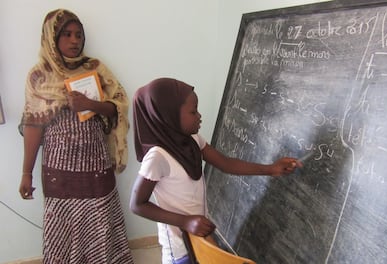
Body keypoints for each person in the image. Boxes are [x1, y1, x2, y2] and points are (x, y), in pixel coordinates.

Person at [130, 78, 302, 264]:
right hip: (179, 247)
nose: (199, 116)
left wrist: (271, 169)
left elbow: (226, 163)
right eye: (193, 111)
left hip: (198, 236)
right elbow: (137, 205)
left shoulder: (192, 139)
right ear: (168, 116)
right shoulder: (157, 157)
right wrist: (185, 221)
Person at [18, 9, 133, 263]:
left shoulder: (95, 69)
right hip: (59, 171)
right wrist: (26, 173)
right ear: (51, 37)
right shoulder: (38, 77)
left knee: (100, 224)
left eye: (79, 35)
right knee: (62, 231)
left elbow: (118, 106)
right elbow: (33, 127)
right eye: (67, 35)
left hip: (96, 166)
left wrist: (89, 104)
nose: (74, 41)